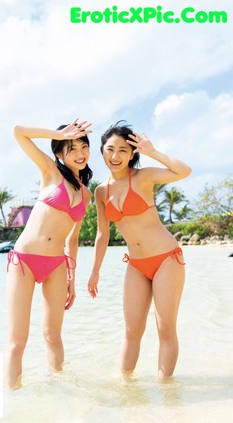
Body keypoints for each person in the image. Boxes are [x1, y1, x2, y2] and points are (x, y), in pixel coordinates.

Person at [87, 121, 191, 380]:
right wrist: (94, 272)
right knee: (132, 331)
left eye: (123, 150)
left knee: (165, 329)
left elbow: (184, 171)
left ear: (132, 154)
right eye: (110, 149)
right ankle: (126, 392)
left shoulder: (143, 177)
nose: (115, 156)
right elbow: (103, 234)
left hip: (167, 259)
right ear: (102, 151)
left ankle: (166, 391)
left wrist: (152, 152)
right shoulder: (101, 191)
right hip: (136, 265)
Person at [5, 119, 92, 390]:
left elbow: (73, 238)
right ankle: (13, 402)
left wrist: (72, 278)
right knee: (17, 341)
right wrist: (58, 134)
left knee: (53, 335)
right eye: (71, 148)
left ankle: (58, 395)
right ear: (59, 153)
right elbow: (18, 131)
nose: (80, 154)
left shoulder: (86, 193)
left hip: (56, 265)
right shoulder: (51, 172)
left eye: (83, 147)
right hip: (25, 261)